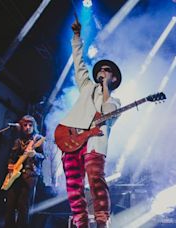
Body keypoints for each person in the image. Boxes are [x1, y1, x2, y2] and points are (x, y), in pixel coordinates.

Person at [58, 19, 122, 228]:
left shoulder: (115, 101)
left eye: (107, 70)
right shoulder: (86, 87)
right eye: (101, 69)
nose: (102, 71)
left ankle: (102, 222)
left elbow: (105, 112)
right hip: (71, 139)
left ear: (113, 78)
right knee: (73, 186)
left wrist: (105, 89)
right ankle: (81, 224)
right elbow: (79, 63)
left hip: (93, 144)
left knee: (96, 180)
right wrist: (77, 37)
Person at [4, 115, 45, 228]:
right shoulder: (18, 140)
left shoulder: (38, 139)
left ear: (34, 126)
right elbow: (12, 157)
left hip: (29, 175)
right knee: (10, 205)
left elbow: (43, 156)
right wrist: (10, 165)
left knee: (23, 206)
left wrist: (35, 154)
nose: (28, 127)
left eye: (30, 125)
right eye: (25, 125)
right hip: (15, 175)